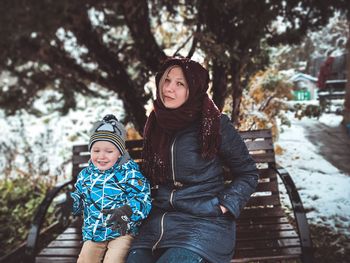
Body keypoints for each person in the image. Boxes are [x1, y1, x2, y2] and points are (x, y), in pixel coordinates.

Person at [126, 57, 259, 263]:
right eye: (167, 80)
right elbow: (146, 176)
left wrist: (223, 205)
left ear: (194, 89)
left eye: (180, 83)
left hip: (204, 222)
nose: (169, 89)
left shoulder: (214, 125)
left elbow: (248, 172)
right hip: (160, 221)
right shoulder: (156, 124)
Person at [71, 114, 152, 263]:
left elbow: (143, 198)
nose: (101, 156)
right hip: (95, 231)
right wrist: (73, 202)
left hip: (122, 230)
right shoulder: (85, 175)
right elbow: (80, 195)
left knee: (115, 260)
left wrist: (127, 211)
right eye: (96, 151)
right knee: (85, 259)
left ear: (120, 152)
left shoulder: (129, 173)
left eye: (109, 151)